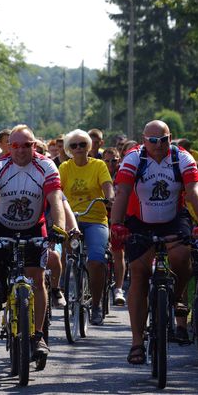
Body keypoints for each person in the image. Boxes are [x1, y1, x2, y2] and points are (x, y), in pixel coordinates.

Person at [111, 120, 198, 364]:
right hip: (139, 219)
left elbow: (193, 192)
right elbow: (122, 193)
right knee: (139, 273)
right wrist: (116, 224)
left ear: (170, 138)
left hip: (173, 217)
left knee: (182, 257)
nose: (158, 145)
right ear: (143, 140)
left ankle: (178, 296)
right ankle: (137, 343)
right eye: (152, 140)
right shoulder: (133, 159)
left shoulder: (182, 158)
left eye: (163, 140)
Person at [0, 124, 65, 358]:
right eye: (16, 145)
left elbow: (55, 199)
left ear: (34, 145)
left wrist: (59, 228)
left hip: (34, 227)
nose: (22, 150)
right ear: (8, 147)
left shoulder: (46, 166)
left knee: (37, 278)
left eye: (27, 145)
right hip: (2, 226)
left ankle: (39, 335)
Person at [59, 129, 114, 325]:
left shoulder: (98, 165)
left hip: (95, 219)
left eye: (83, 144)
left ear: (89, 146)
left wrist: (110, 197)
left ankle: (97, 304)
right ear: (68, 149)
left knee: (96, 260)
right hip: (70, 219)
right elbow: (56, 190)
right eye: (74, 145)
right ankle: (61, 287)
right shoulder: (65, 167)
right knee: (61, 250)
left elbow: (107, 185)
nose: (79, 148)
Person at [102, 147, 126, 305]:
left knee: (118, 252)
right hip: (101, 217)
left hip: (119, 218)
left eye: (114, 160)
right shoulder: (98, 172)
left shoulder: (123, 175)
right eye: (107, 160)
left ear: (119, 160)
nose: (111, 163)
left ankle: (118, 288)